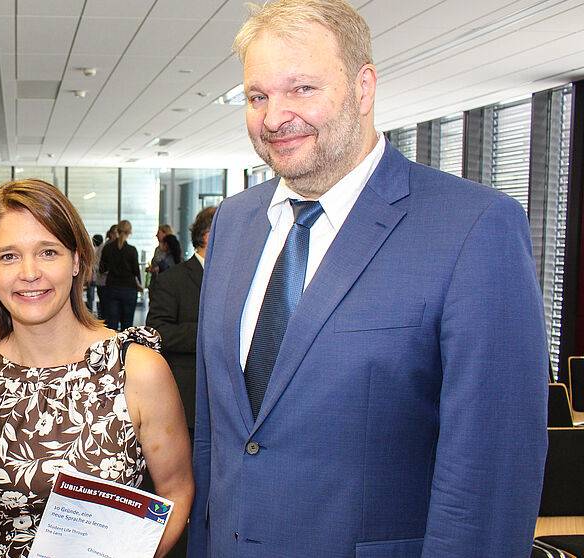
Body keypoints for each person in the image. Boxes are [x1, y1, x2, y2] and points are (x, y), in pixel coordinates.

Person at [189, 2, 549, 557]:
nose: (275, 117)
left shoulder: (473, 226)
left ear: (363, 88)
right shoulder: (234, 223)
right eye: (257, 96)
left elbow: (490, 473)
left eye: (302, 88)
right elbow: (217, 433)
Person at [0, 179, 193, 558]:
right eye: (8, 256)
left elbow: (175, 490)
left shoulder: (138, 372)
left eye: (48, 252)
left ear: (76, 260)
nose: (29, 272)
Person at [146, 206, 215, 435]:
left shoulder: (239, 279)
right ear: (209, 236)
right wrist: (209, 333)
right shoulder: (173, 280)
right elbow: (158, 332)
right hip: (190, 400)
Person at [98, 220, 140, 331]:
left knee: (112, 325)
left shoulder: (108, 248)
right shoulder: (132, 250)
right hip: (129, 288)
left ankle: (113, 343)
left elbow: (102, 269)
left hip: (112, 287)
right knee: (127, 325)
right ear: (129, 232)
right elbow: (136, 271)